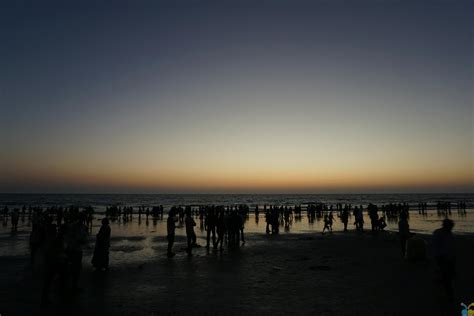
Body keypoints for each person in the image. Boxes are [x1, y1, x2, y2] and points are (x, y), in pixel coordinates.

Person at [432, 219, 456, 300]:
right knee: (446, 277)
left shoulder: (447, 233)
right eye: (450, 226)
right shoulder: (440, 233)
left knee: (447, 276)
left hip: (448, 258)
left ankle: (446, 293)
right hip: (442, 258)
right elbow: (436, 246)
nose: (451, 228)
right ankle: (448, 294)